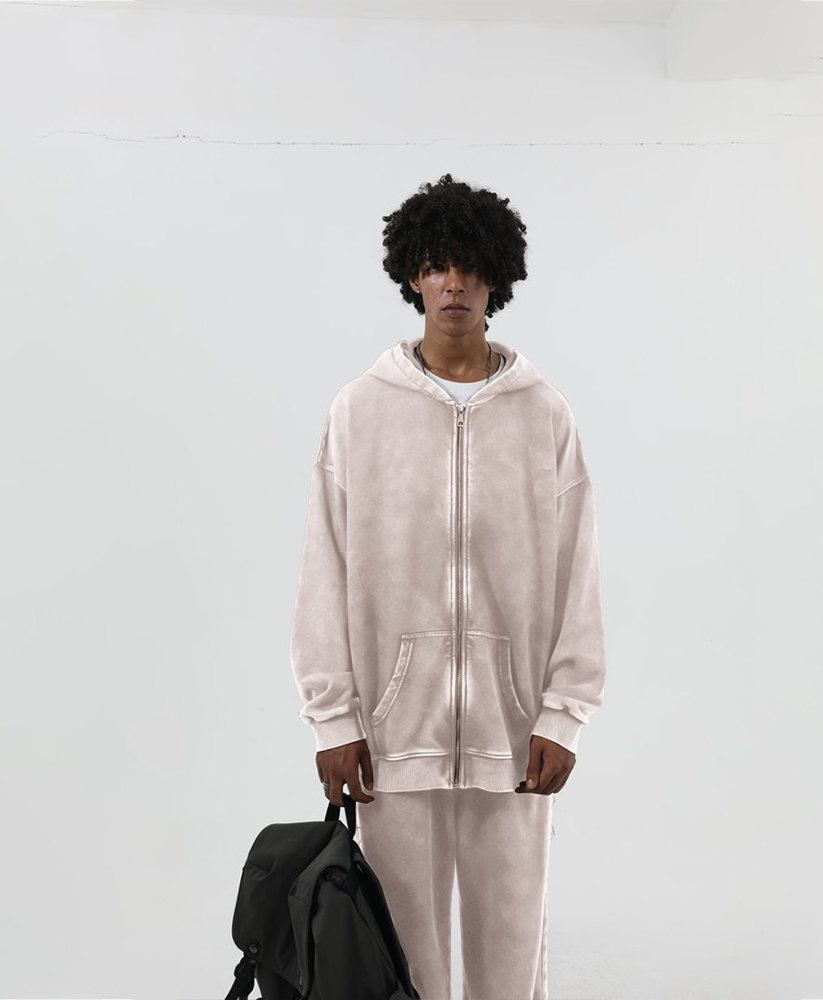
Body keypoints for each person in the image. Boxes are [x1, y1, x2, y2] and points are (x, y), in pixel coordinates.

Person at [290, 172, 607, 1000]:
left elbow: (577, 570)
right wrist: (333, 718)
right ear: (412, 276)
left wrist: (563, 714)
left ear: (497, 276)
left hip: (516, 741)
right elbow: (325, 568)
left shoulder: (545, 415)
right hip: (389, 743)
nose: (453, 283)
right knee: (403, 971)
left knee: (510, 971)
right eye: (436, 265)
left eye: (468, 265)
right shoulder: (360, 411)